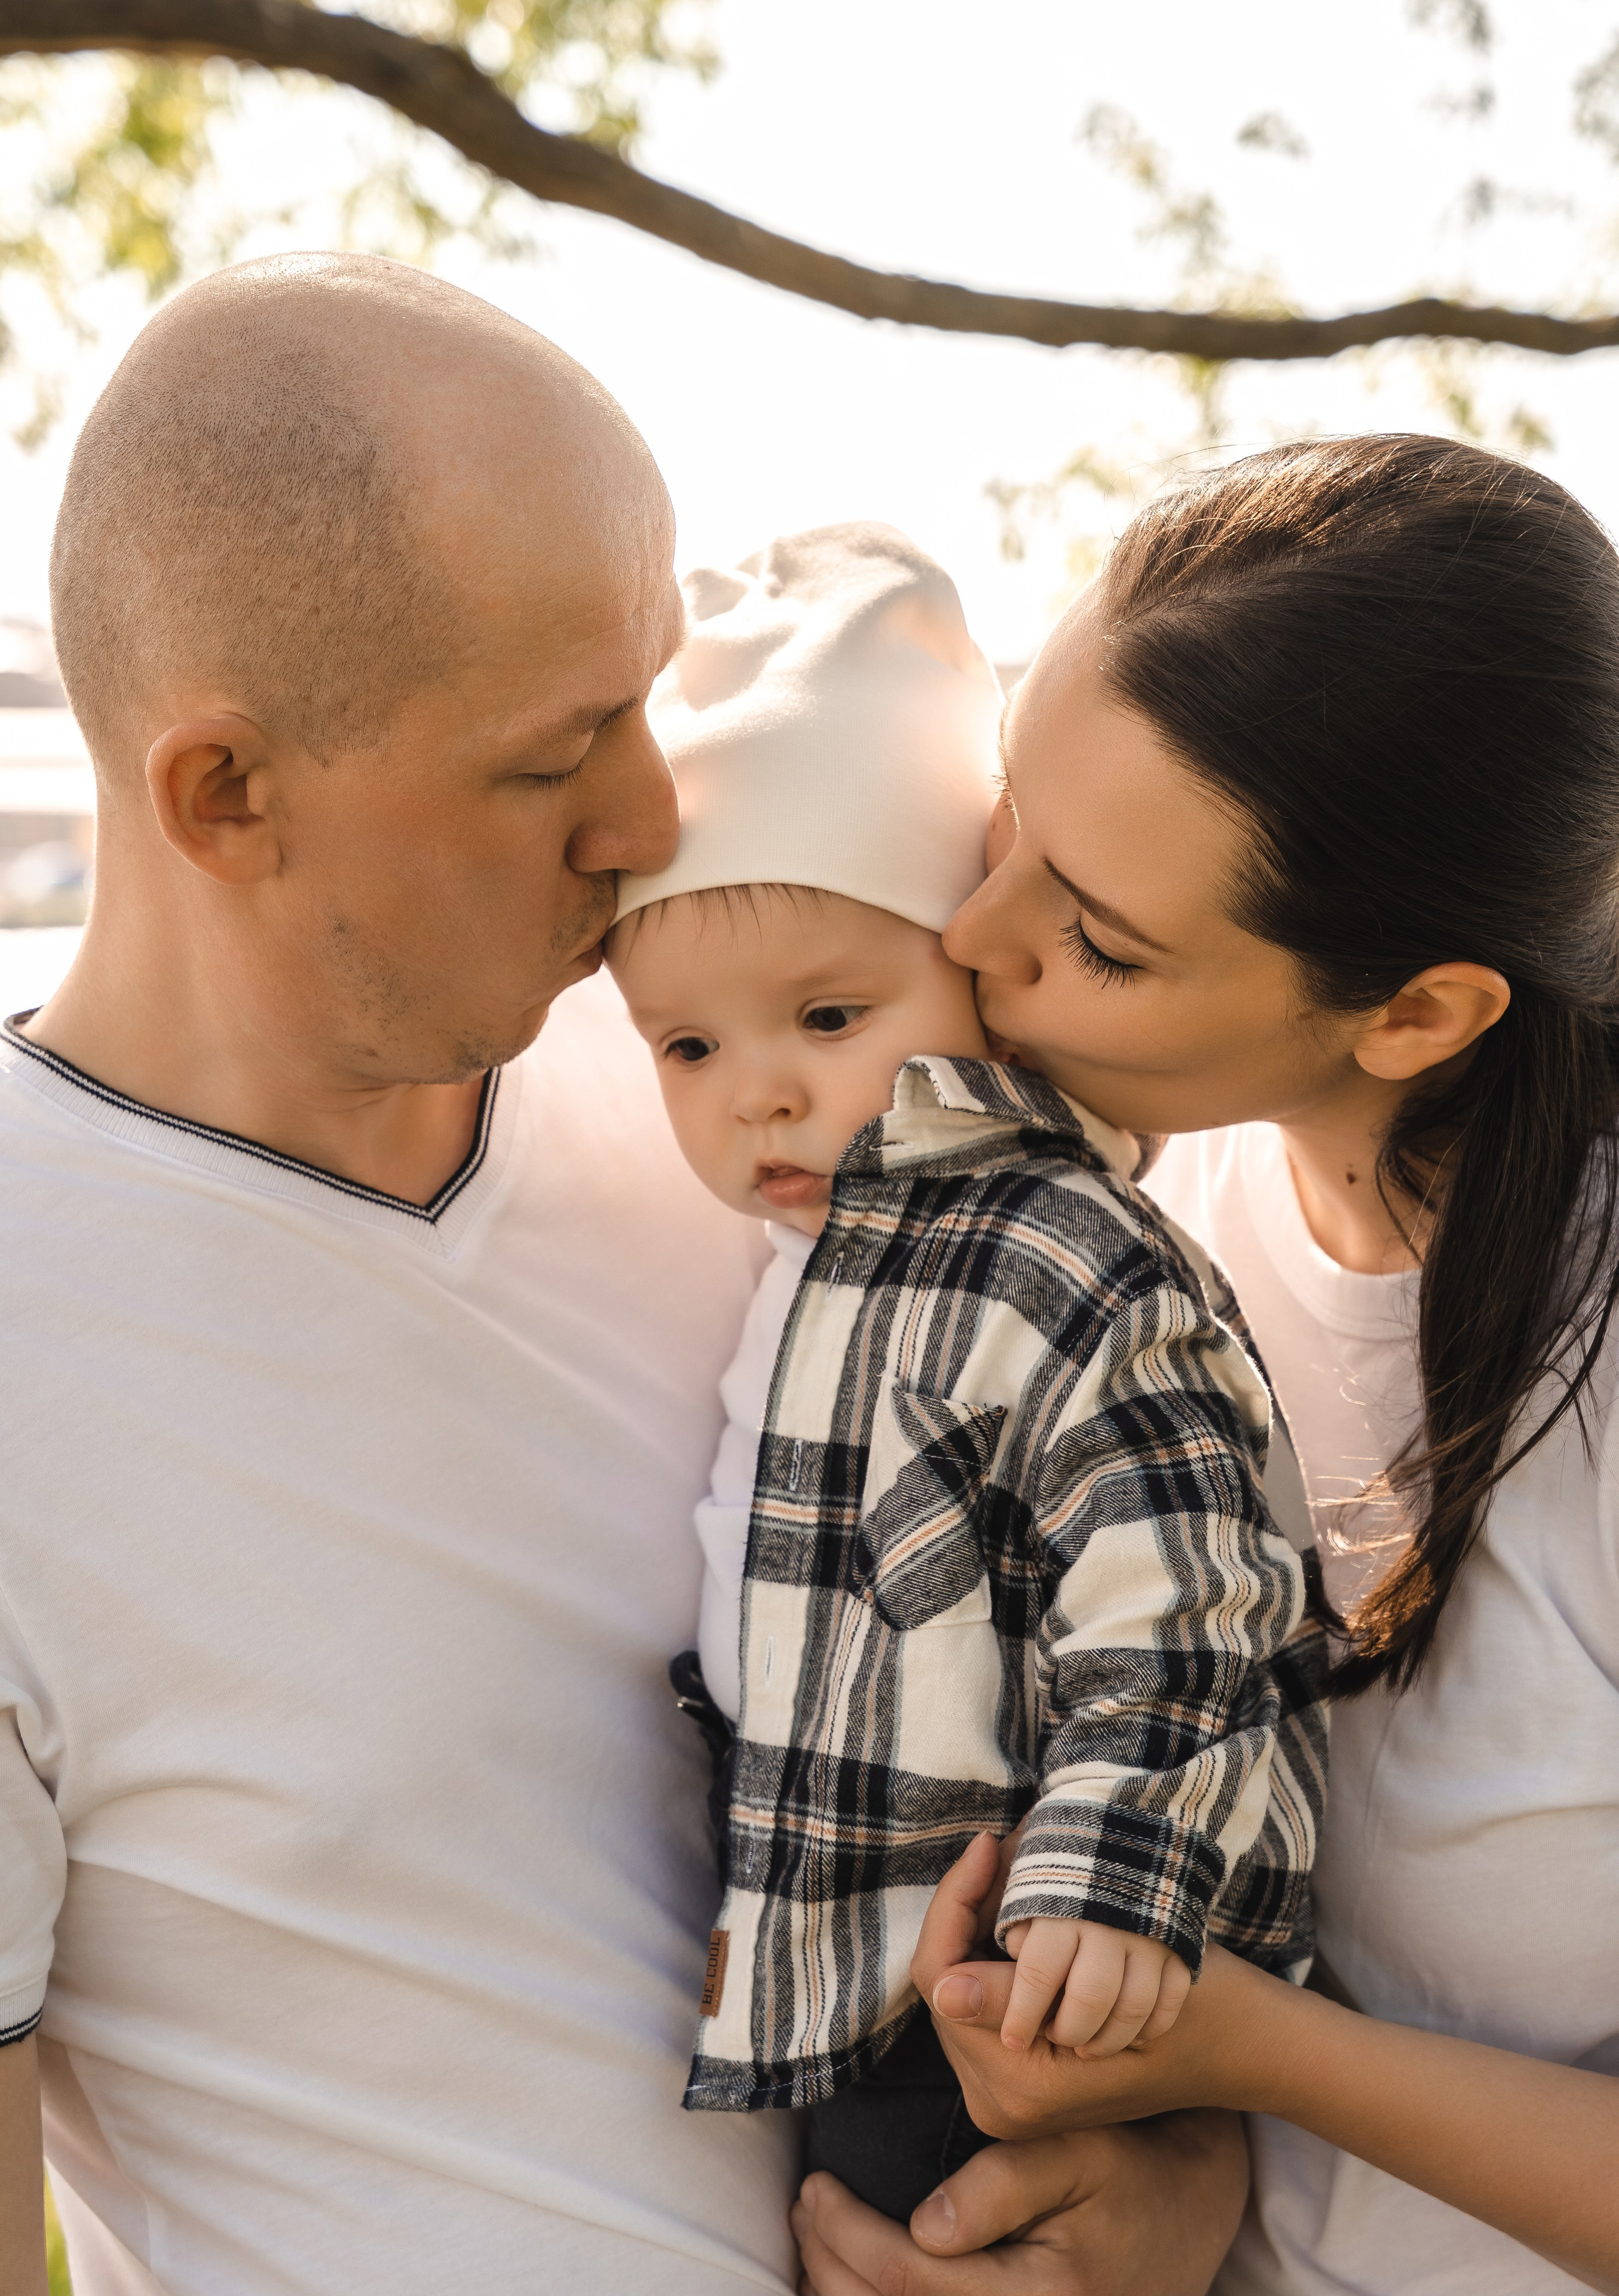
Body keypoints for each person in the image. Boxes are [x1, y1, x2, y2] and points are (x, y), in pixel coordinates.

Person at [0, 254, 804, 2295]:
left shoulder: (753, 1101)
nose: (652, 814)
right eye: (557, 757)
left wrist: (1172, 2184)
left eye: (658, 693)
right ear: (226, 796)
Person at [792, 434, 1619, 2295]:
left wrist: (1246, 2053)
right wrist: (1171, 2188)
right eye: (1012, 821)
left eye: (1095, 937)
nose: (974, 941)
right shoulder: (1132, 1232)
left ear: (1416, 1012)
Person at [606, 525, 1328, 2224]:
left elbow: (1186, 1578)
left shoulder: (1052, 1248)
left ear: (976, 975)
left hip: (1029, 1973)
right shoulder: (813, 1265)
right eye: (690, 1047)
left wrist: (1107, 1884)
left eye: (830, 1017)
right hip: (863, 1977)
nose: (758, 1093)